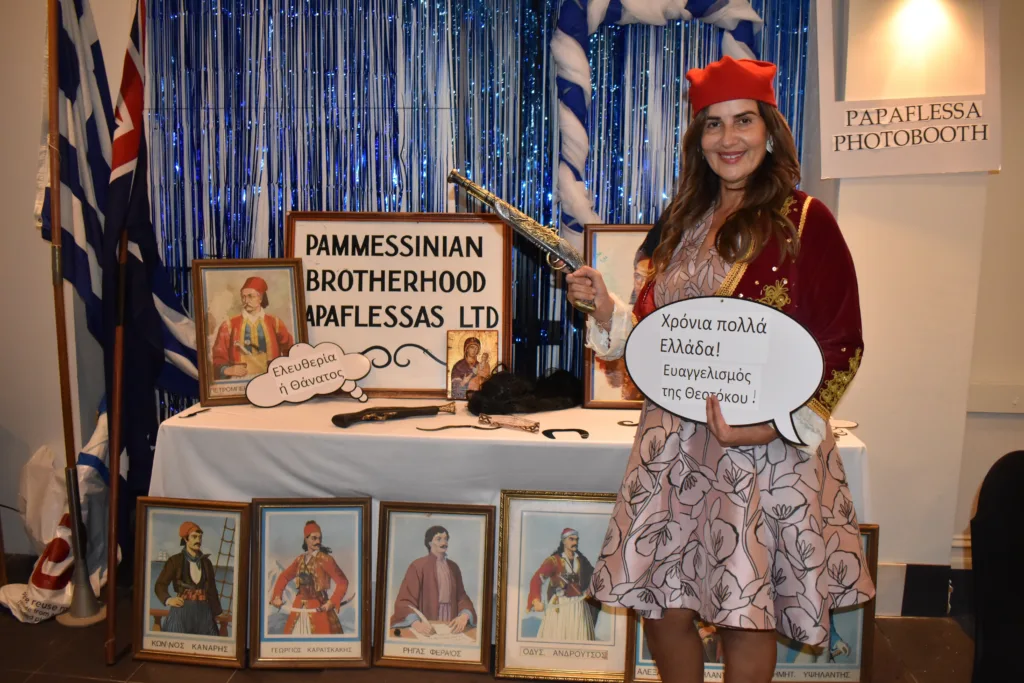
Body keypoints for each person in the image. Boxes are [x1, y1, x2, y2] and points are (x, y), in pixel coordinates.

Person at [565, 56, 875, 683]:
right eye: (712, 125)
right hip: (674, 444)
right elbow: (659, 337)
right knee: (664, 605)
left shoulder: (806, 221)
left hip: (757, 449)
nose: (728, 139)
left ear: (770, 131)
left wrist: (767, 427)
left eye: (743, 121)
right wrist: (607, 308)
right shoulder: (679, 221)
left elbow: (843, 343)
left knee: (743, 610)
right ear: (696, 138)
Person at [390, 526, 476, 636]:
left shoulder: (453, 567)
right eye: (439, 539)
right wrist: (416, 623)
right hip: (426, 623)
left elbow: (462, 597)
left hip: (450, 621)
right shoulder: (417, 566)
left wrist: (464, 616)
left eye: (446, 539)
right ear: (429, 543)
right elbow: (404, 601)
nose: (444, 542)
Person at [269, 520, 349, 635]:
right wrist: (277, 596)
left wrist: (331, 602)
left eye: (319, 538)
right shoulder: (299, 560)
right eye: (314, 538)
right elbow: (284, 577)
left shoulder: (326, 560)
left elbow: (343, 582)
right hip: (298, 608)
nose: (318, 541)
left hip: (320, 609)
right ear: (306, 539)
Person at [210, 275, 295, 380]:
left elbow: (292, 351)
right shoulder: (228, 326)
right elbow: (218, 357)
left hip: (270, 379)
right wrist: (227, 370)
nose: (246, 301)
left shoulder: (275, 323)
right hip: (239, 381)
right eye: (243, 297)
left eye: (250, 296)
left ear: (260, 298)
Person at [527, 528, 600, 642]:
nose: (575, 542)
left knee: (581, 640)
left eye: (576, 539)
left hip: (579, 607)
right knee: (557, 637)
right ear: (564, 541)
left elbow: (595, 577)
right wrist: (536, 601)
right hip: (559, 606)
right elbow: (536, 579)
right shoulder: (553, 561)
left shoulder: (582, 560)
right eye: (571, 539)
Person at [154, 521, 223, 636]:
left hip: (204, 612)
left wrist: (217, 612)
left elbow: (212, 589)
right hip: (181, 612)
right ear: (185, 539)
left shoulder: (206, 563)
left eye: (200, 537)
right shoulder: (175, 561)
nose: (198, 540)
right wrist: (169, 600)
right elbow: (160, 585)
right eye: (194, 537)